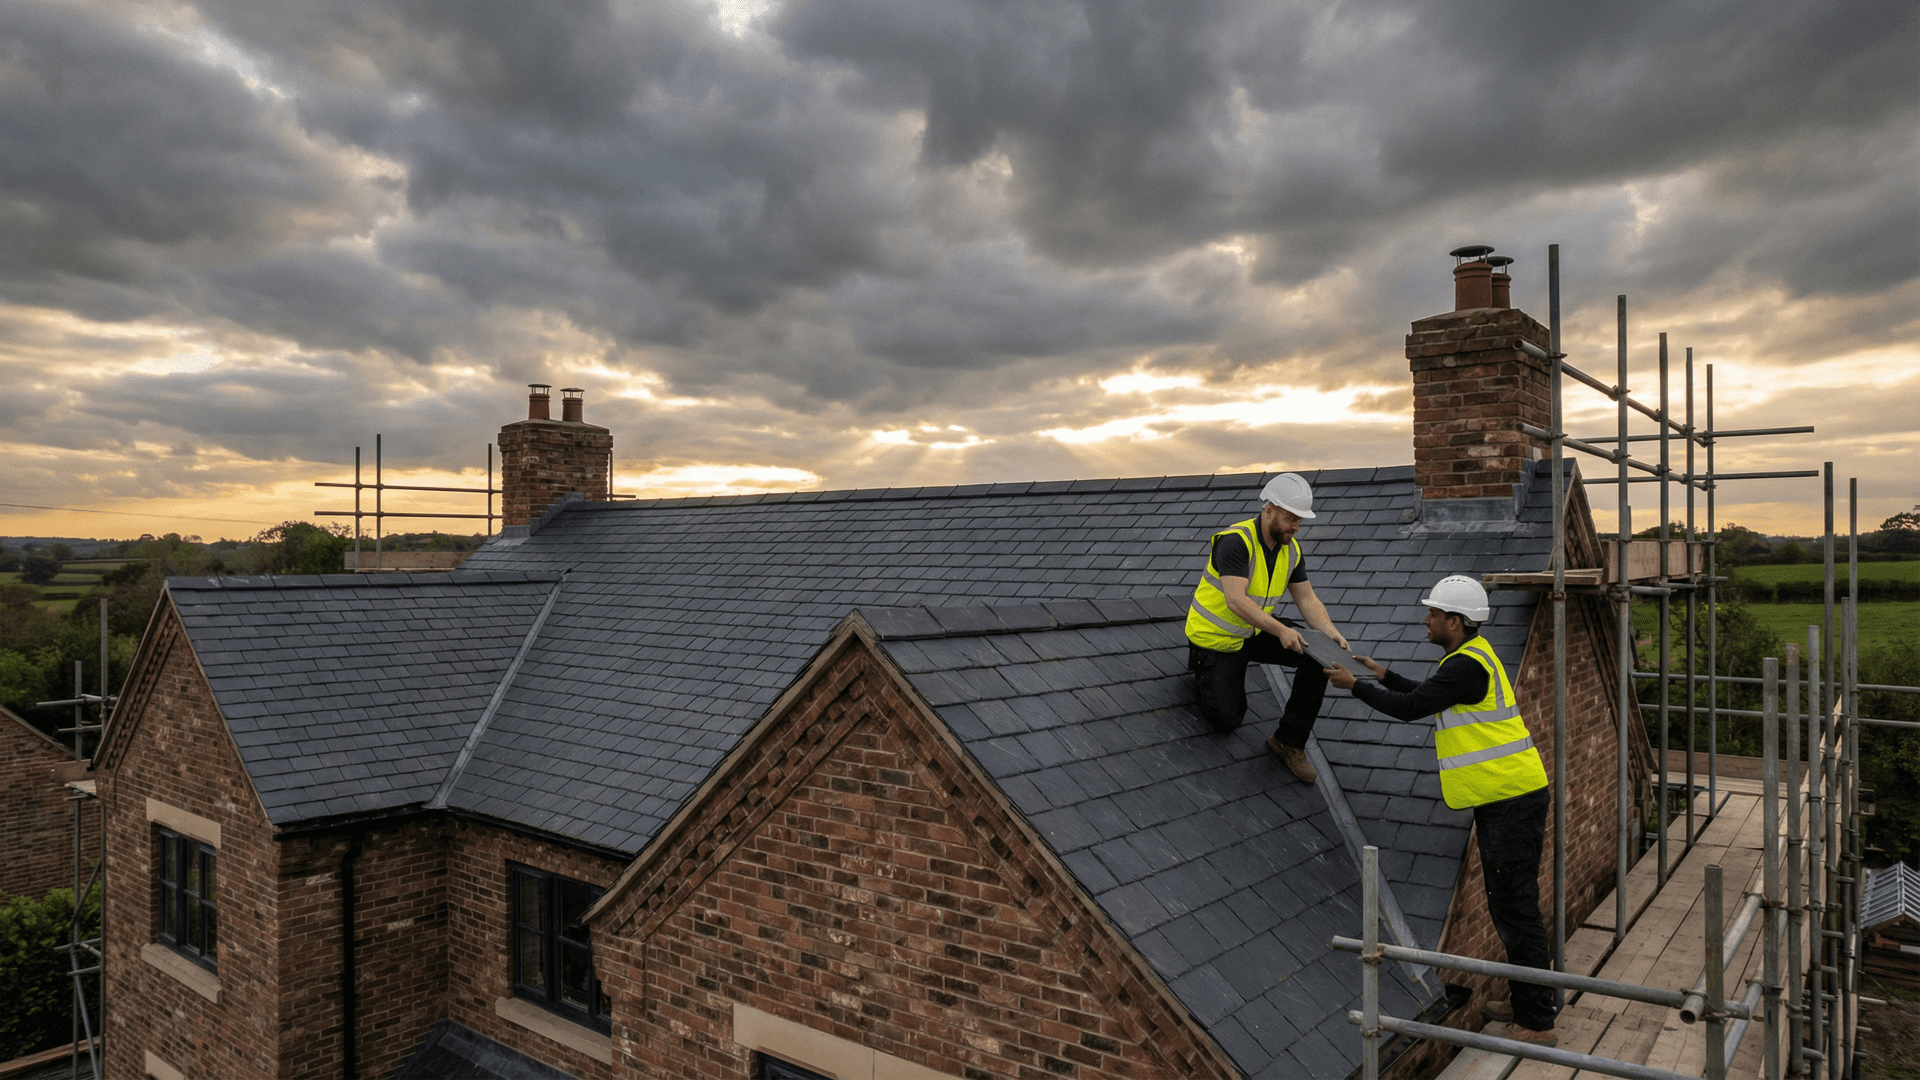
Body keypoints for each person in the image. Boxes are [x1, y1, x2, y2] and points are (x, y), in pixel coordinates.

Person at [1323, 574, 1557, 1046]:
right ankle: (1533, 997)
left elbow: (1411, 708)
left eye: (1433, 613)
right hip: (1510, 798)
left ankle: (1536, 1021)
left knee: (1514, 910)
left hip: (1509, 802)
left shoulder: (1464, 666)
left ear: (1454, 621)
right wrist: (1382, 674)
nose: (1425, 619)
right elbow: (1430, 696)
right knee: (1513, 906)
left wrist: (1354, 686)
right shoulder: (1469, 658)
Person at [1185, 472, 1350, 784]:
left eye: (1300, 520)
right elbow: (1235, 600)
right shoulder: (1235, 542)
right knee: (1228, 719)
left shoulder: (1291, 550)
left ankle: (1289, 742)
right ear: (1269, 509)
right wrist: (1282, 631)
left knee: (1319, 655)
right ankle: (1204, 670)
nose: (1296, 527)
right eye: (1291, 518)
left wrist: (1329, 631)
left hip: (1254, 632)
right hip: (1216, 640)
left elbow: (1308, 599)